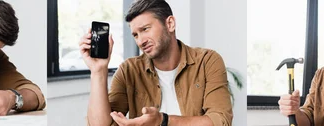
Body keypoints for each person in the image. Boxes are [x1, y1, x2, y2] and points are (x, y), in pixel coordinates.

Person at [80, 0, 233, 126]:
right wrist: (98, 70)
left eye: (145, 29)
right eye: (135, 35)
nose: (140, 41)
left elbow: (220, 121)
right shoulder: (129, 70)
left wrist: (163, 120)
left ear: (170, 24)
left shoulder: (207, 61)